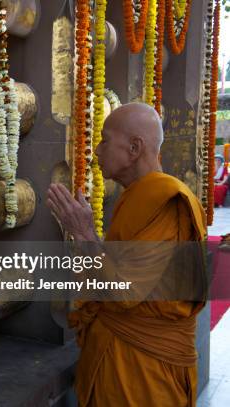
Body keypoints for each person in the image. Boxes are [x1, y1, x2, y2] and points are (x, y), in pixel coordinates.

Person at [46, 103, 207, 406]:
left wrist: (83, 233)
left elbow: (124, 291)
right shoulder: (136, 196)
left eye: (105, 140)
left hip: (144, 368)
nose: (96, 150)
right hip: (118, 352)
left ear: (134, 148)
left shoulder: (167, 202)